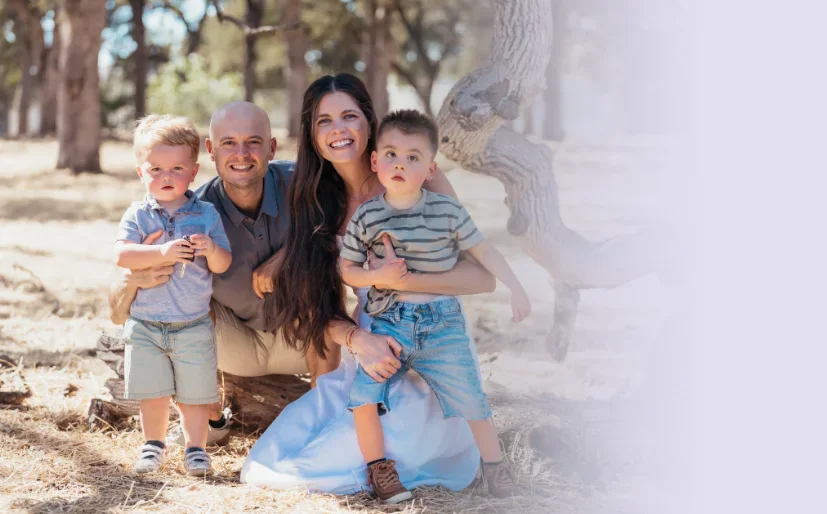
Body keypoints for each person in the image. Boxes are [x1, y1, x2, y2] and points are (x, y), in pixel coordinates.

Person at [107, 101, 494, 450]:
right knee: (177, 315)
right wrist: (134, 281)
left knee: (314, 281)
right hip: (234, 342)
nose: (242, 154)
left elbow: (369, 205)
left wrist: (293, 254)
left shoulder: (306, 187)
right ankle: (211, 416)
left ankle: (324, 419)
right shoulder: (191, 210)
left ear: (273, 148)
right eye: (228, 143)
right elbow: (117, 309)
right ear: (210, 151)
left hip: (309, 335)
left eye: (254, 142)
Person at [241, 74, 494, 496]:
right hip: (372, 343)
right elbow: (315, 305)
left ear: (369, 121)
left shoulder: (420, 180)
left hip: (435, 342)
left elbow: (481, 275)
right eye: (324, 121)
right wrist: (358, 339)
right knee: (273, 459)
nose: (338, 129)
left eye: (349, 116)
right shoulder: (317, 200)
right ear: (312, 133)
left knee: (325, 464)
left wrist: (406, 279)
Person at [339, 109, 531, 501]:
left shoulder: (446, 211)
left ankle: (496, 469)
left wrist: (515, 286)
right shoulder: (368, 215)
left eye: (413, 157)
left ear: (430, 168)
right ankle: (380, 471)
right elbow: (348, 269)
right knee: (364, 394)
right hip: (389, 322)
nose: (399, 164)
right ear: (375, 161)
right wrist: (378, 277)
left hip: (441, 321)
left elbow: (482, 250)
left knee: (471, 397)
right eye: (390, 154)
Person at [114, 114, 233, 476]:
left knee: (195, 392)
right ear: (141, 173)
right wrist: (162, 252)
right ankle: (153, 445)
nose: (166, 177)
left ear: (193, 172)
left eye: (176, 168)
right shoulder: (138, 215)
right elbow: (122, 254)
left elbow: (224, 262)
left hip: (192, 322)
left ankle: (196, 448)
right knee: (154, 391)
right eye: (156, 169)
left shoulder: (206, 214)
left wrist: (210, 247)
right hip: (146, 322)